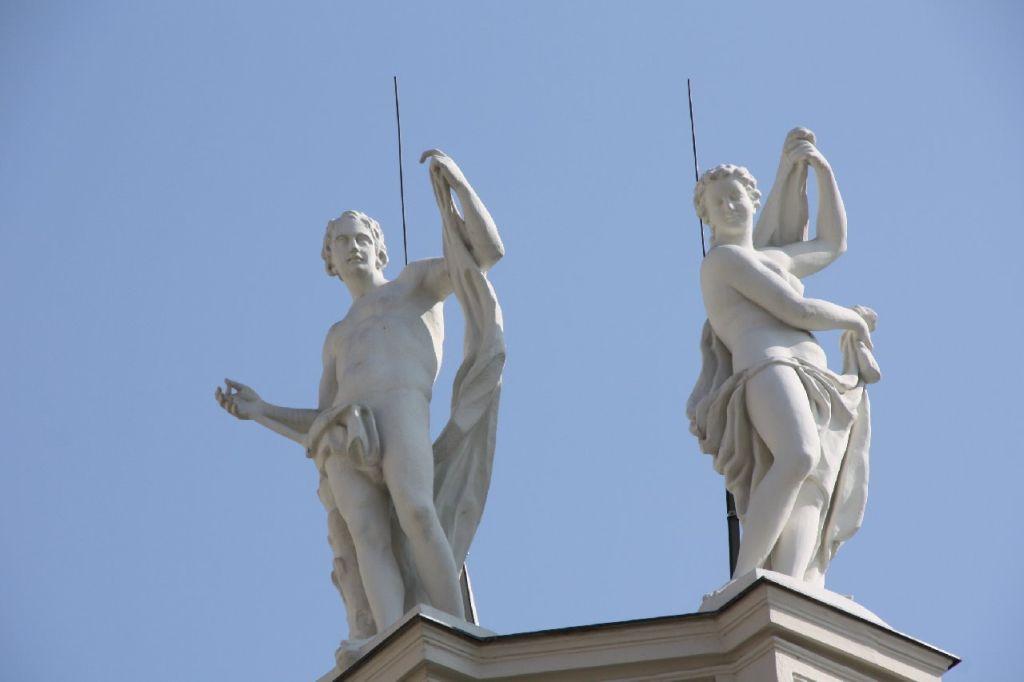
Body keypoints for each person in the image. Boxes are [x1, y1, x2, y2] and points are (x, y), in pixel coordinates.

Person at [215, 149, 505, 659]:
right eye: (341, 242)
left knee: (417, 512)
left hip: (401, 409)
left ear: (379, 249)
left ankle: (456, 632)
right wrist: (262, 411)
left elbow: (484, 254)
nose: (352, 248)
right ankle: (390, 642)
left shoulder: (413, 286)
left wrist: (458, 188)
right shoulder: (337, 336)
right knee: (368, 535)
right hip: (343, 434)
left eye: (361, 239)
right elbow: (320, 420)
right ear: (329, 260)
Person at [687, 128, 879, 586]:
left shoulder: (772, 260)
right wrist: (852, 320)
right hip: (767, 364)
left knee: (814, 482)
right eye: (718, 203)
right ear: (707, 218)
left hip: (812, 373)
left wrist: (821, 171)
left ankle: (792, 586)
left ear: (753, 202)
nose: (729, 206)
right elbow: (795, 309)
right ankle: (744, 582)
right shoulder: (722, 262)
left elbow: (832, 244)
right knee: (798, 454)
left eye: (736, 197)